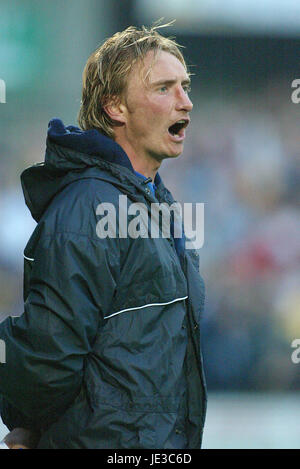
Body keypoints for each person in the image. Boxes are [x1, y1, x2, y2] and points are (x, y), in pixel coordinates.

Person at [0, 22, 206, 449]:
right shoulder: (90, 206)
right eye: (165, 88)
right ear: (116, 107)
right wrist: (29, 421)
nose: (186, 102)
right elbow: (49, 353)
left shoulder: (153, 204)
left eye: (185, 86)